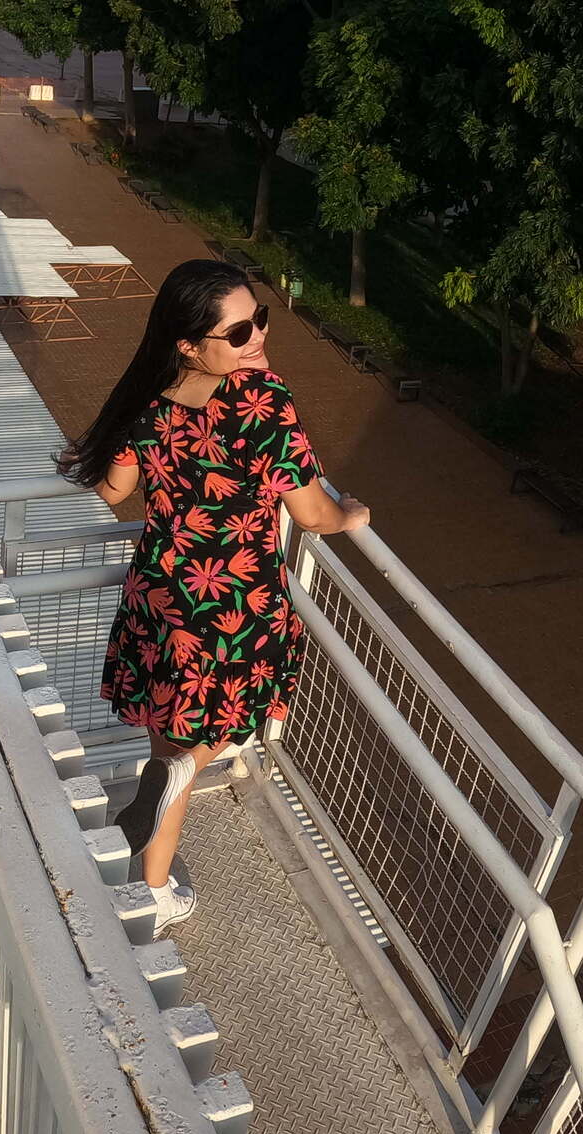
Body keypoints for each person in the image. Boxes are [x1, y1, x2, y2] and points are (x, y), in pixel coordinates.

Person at [57, 260, 370, 935]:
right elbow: (311, 513)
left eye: (260, 318)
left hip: (163, 599)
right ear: (190, 342)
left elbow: (113, 493)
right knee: (213, 736)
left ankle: (155, 885)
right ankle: (162, 838)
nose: (256, 335)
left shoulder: (152, 395)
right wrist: (352, 516)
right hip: (235, 604)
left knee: (166, 743)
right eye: (238, 330)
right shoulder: (263, 399)